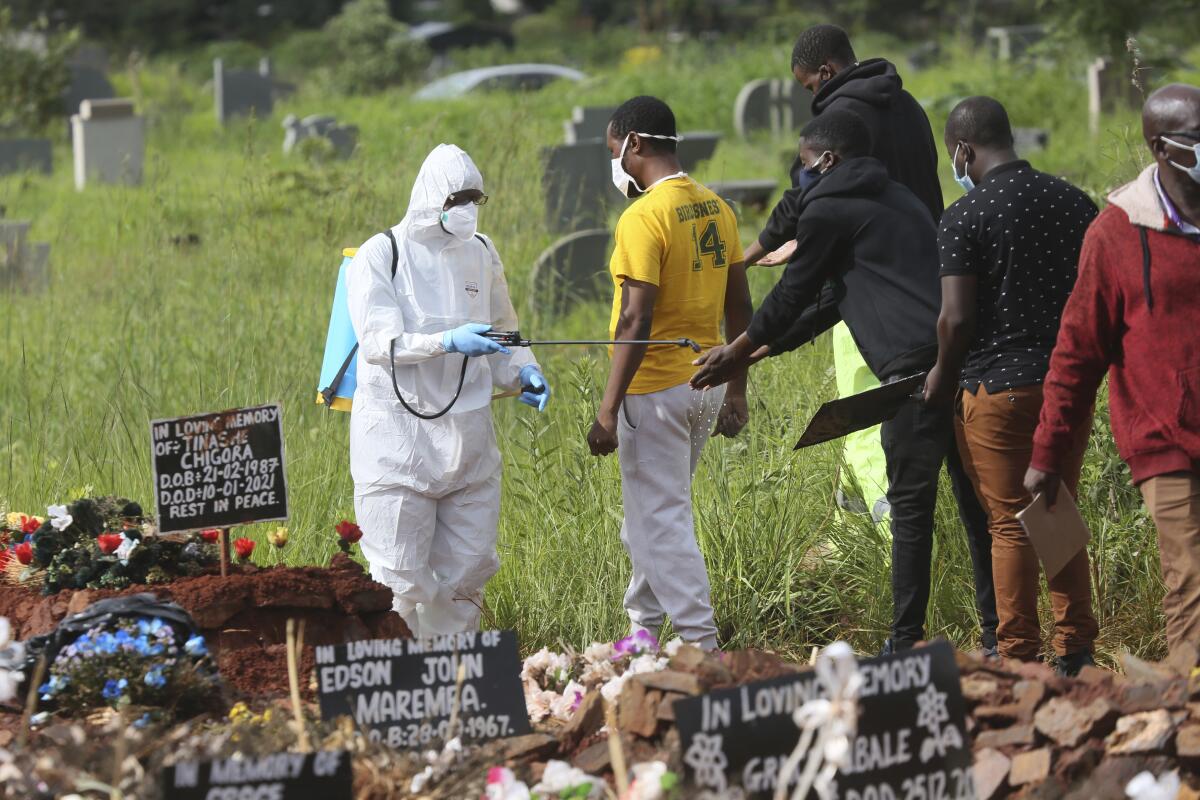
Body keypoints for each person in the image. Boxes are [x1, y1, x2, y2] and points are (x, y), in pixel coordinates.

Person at [691, 110, 995, 655]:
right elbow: (832, 301)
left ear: (827, 161)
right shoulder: (899, 199)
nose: (801, 178)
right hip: (960, 365)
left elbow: (792, 293)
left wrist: (734, 352)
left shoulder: (829, 208)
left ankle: (904, 646)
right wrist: (757, 353)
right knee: (974, 506)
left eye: (805, 165)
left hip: (912, 380)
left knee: (910, 511)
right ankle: (997, 634)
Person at [345, 143, 551, 639]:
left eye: (475, 199)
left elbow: (504, 329)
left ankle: (457, 683)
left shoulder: (481, 251)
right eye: (457, 198)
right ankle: (398, 687)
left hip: (469, 444)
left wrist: (523, 370)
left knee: (468, 575)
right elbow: (378, 342)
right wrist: (446, 341)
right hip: (397, 447)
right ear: (431, 198)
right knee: (397, 580)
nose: (466, 209)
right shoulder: (381, 254)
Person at [924, 97, 1100, 673]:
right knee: (1056, 508)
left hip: (996, 389)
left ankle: (1018, 658)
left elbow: (955, 318)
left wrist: (942, 378)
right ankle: (1076, 648)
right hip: (1065, 386)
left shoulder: (965, 216)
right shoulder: (1074, 203)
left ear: (962, 151)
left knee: (1009, 524)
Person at [1027, 84, 1200, 659]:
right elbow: (1077, 352)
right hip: (1165, 438)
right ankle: (1187, 721)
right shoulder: (1118, 233)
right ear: (1161, 147)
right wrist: (1049, 454)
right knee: (1192, 579)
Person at [586, 96, 753, 651]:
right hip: (703, 385)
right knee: (648, 518)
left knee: (662, 521)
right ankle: (643, 633)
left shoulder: (643, 216)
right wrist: (737, 387)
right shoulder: (715, 207)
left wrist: (608, 409)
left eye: (615, 151)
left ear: (633, 144)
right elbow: (740, 307)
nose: (617, 164)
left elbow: (636, 315)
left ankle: (702, 646)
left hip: (654, 391)